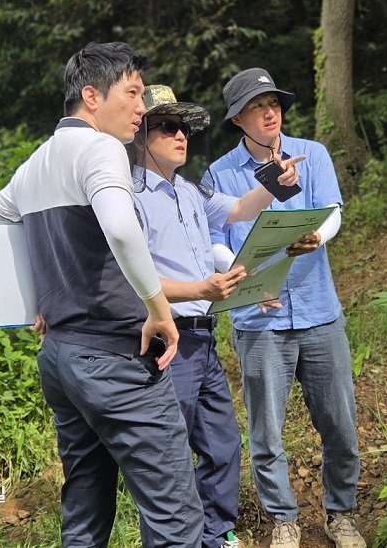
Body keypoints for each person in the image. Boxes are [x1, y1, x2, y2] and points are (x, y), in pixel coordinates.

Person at [0, 42, 203, 547]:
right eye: (133, 93)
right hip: (115, 356)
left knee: (84, 507)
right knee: (175, 513)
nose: (142, 109)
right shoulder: (101, 149)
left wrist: (33, 298)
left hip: (60, 358)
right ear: (91, 96)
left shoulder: (36, 162)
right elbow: (122, 230)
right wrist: (158, 309)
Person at [130, 85, 303, 548]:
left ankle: (216, 535)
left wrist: (274, 181)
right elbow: (130, 278)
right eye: (168, 126)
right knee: (167, 457)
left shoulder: (190, 190)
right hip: (167, 342)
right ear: (141, 133)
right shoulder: (128, 196)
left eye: (184, 127)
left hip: (205, 338)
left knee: (222, 444)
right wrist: (200, 288)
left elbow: (241, 209)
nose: (181, 135)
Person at [204, 68, 366, 548]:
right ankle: (284, 520)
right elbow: (214, 239)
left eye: (272, 102)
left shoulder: (312, 154)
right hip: (259, 319)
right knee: (267, 433)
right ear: (237, 119)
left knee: (339, 423)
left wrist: (321, 237)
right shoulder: (219, 173)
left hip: (319, 311)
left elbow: (333, 210)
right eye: (257, 106)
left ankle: (342, 514)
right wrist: (240, 274)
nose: (269, 111)